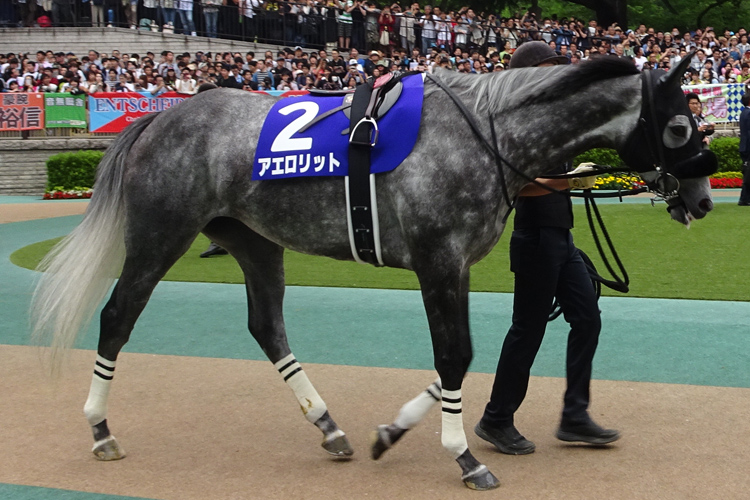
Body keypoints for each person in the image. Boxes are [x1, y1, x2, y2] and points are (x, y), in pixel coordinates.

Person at [475, 41, 620, 456]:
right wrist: (571, 180)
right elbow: (518, 186)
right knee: (527, 331)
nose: (556, 72)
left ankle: (575, 416)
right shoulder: (512, 125)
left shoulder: (548, 122)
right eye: (548, 67)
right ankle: (497, 419)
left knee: (588, 319)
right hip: (536, 240)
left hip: (560, 240)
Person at [738, 93, 750, 206]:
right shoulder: (748, 113)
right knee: (748, 174)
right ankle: (744, 198)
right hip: (748, 147)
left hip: (745, 146)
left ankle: (745, 198)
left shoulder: (744, 112)